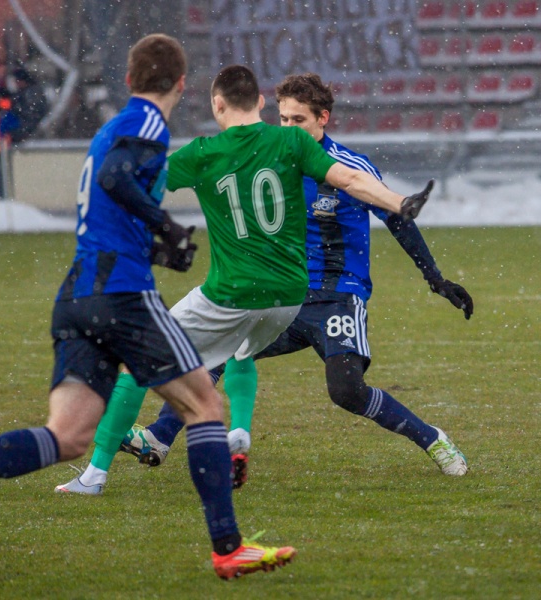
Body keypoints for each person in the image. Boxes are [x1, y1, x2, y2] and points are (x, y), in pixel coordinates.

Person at [0, 35, 297, 580]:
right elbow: (117, 179)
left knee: (67, 436)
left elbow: (108, 203)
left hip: (78, 295)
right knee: (206, 406)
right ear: (182, 84)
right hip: (122, 296)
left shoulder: (111, 128)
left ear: (129, 79)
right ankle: (228, 547)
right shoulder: (147, 123)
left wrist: (157, 246)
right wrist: (165, 224)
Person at [55, 65, 434, 498]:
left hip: (233, 290)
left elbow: (133, 187)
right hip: (289, 295)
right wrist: (400, 202)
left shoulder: (204, 152)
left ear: (217, 104)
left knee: (137, 360)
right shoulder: (293, 143)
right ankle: (236, 429)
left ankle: (94, 476)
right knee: (237, 349)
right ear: (260, 103)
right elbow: (349, 178)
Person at [6, 68, 48, 142]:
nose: (16, 84)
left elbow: (32, 115)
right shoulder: (24, 93)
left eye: (17, 81)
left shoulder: (30, 94)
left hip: (27, 130)